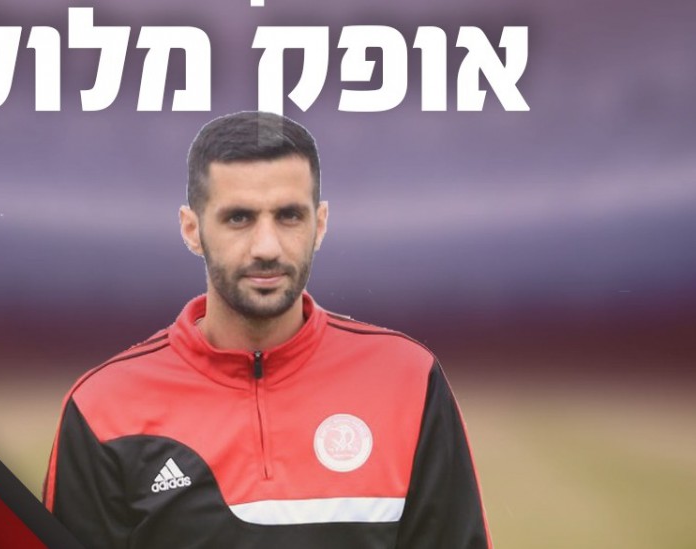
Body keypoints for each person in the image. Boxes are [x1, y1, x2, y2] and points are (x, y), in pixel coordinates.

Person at [43, 111, 491, 548]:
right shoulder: (104, 407)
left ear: (320, 224)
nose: (267, 247)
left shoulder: (406, 380)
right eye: (239, 218)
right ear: (192, 229)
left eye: (289, 216)